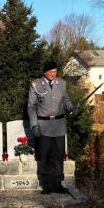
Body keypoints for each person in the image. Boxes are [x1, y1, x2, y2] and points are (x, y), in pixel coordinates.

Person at [27, 60, 74, 194]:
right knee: (46, 156)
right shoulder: (36, 84)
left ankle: (58, 184)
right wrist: (34, 125)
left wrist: (71, 108)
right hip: (44, 125)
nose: (54, 74)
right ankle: (46, 185)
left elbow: (66, 100)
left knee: (59, 155)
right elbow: (31, 107)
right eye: (51, 72)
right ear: (45, 72)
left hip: (59, 125)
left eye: (55, 71)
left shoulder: (62, 84)